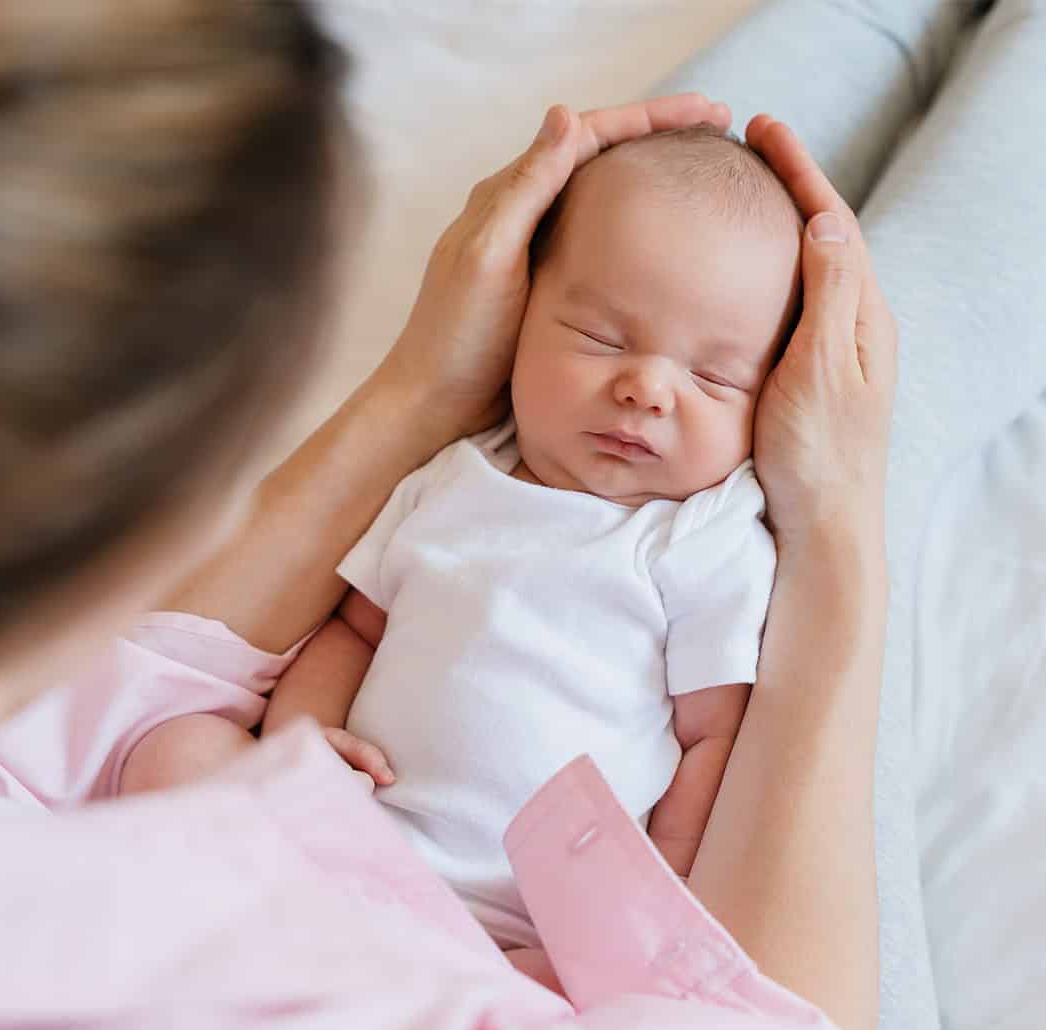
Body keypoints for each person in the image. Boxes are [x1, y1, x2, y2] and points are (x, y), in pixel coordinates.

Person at [0, 0, 1046, 1030]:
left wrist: (426, 383)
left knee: (708, 239)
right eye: (588, 332)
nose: (645, 386)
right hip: (563, 941)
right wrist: (840, 527)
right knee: (882, 394)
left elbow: (150, 684)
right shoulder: (348, 1012)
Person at [121, 129, 800, 977]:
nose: (647, 389)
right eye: (599, 336)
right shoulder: (453, 481)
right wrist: (302, 734)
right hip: (341, 840)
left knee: (602, 988)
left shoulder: (701, 539)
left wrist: (649, 895)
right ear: (518, 318)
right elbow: (354, 631)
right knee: (176, 749)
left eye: (715, 379)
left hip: (510, 926)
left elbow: (713, 743)